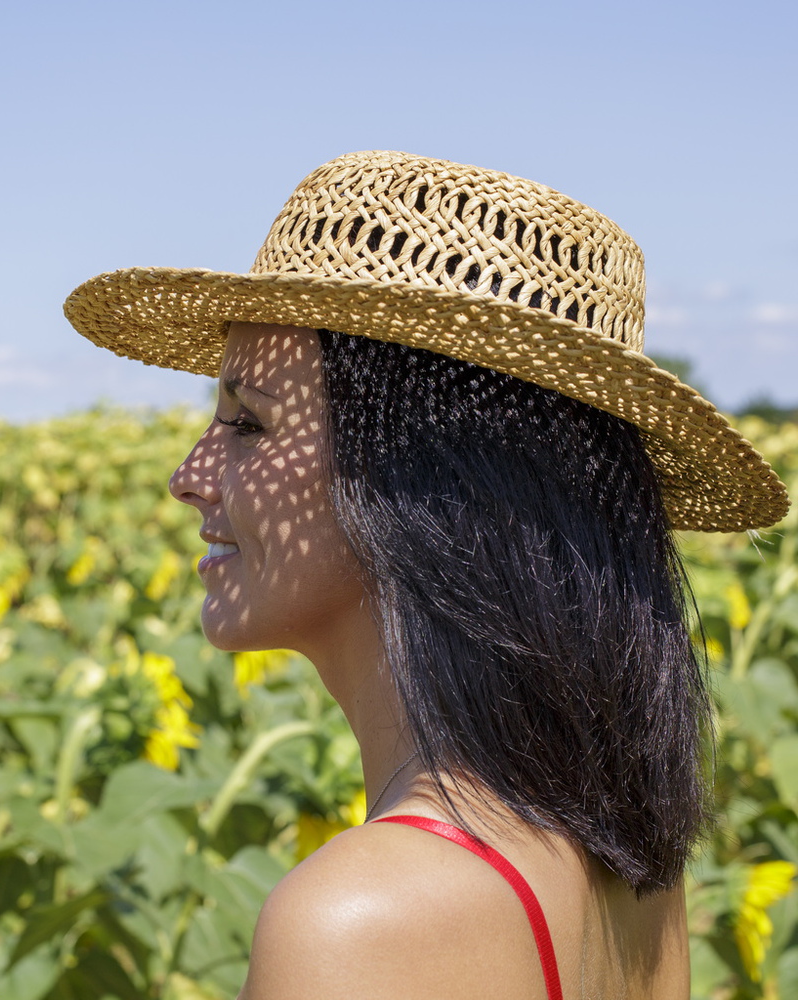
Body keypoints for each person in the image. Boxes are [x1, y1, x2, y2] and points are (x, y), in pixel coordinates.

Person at [64, 151, 790, 999]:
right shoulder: (629, 870)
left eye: (249, 424)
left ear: (419, 480)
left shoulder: (357, 924)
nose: (188, 476)